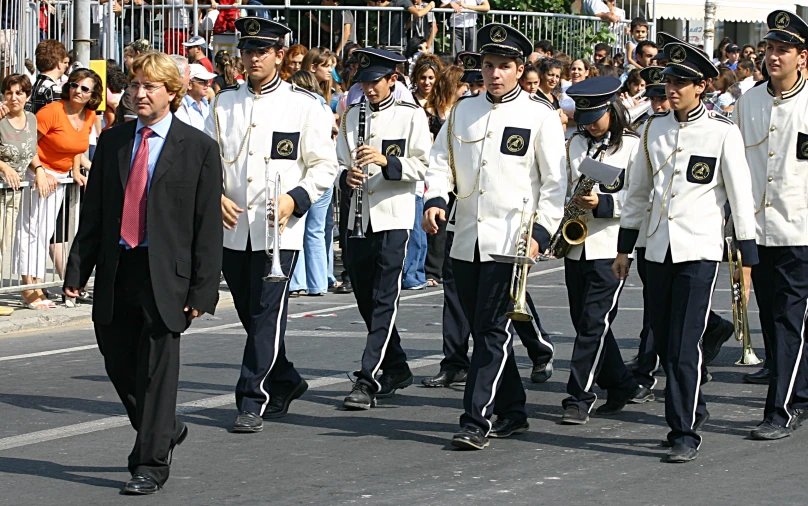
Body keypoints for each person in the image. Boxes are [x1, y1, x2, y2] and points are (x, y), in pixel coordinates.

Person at [63, 51, 223, 495]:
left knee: (157, 370)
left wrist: (203, 288)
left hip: (166, 275)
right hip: (119, 266)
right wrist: (78, 268)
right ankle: (165, 426)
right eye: (134, 85)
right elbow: (94, 212)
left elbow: (206, 225)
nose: (139, 93)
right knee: (117, 359)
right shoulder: (114, 141)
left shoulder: (198, 148)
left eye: (150, 86)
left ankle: (150, 461)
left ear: (171, 92)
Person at [613, 40, 758, 463]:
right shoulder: (652, 129)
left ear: (702, 86)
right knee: (662, 339)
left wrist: (746, 258)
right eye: (667, 81)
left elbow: (740, 197)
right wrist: (625, 248)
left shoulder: (722, 133)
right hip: (656, 250)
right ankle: (692, 406)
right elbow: (638, 194)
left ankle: (683, 430)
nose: (671, 89)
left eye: (680, 82)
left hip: (698, 250)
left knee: (682, 345)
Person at [423, 23, 565, 450]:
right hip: (466, 237)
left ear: (520, 69)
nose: (495, 74)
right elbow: (439, 164)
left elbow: (555, 185)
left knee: (490, 331)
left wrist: (541, 231)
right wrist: (435, 198)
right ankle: (514, 410)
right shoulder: (463, 111)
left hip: (512, 240)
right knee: (482, 328)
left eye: (505, 66)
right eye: (488, 66)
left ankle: (475, 420)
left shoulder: (539, 116)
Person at [205, 17, 338, 433]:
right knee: (251, 316)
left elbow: (324, 166)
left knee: (266, 316)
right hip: (232, 227)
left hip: (280, 232)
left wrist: (293, 199)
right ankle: (286, 380)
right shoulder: (223, 102)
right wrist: (215, 196)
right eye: (247, 50)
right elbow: (207, 161)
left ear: (280, 55)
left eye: (261, 50)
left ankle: (251, 399)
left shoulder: (305, 105)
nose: (253, 57)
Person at [337, 48, 430, 409]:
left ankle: (367, 378)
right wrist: (347, 174)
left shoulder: (411, 116)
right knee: (364, 298)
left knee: (383, 299)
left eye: (374, 82)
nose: (368, 89)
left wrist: (385, 160)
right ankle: (397, 366)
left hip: (392, 216)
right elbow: (336, 162)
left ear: (392, 79)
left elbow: (423, 164)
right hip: (357, 216)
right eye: (364, 82)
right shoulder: (351, 115)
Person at [732, 10, 808, 440]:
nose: (773, 56)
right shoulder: (750, 101)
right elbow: (738, 166)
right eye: (770, 49)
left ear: (803, 56)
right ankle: (801, 393)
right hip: (758, 230)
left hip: (802, 229)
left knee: (787, 320)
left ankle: (779, 410)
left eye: (783, 50)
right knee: (773, 316)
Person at [558, 76, 642, 424]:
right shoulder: (573, 143)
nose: (589, 125)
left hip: (612, 247)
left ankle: (579, 396)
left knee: (594, 321)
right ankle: (621, 383)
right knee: (585, 322)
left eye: (596, 118)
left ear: (611, 109)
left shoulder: (634, 147)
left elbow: (641, 199)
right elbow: (558, 184)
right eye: (584, 118)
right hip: (576, 246)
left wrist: (603, 204)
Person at [14, 69, 99, 309]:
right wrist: (40, 171)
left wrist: (75, 171)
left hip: (59, 178)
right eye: (73, 85)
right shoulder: (52, 111)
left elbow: (76, 147)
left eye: (84, 88)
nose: (77, 91)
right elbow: (28, 144)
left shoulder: (89, 115)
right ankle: (27, 289)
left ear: (93, 94)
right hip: (38, 173)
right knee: (30, 231)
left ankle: (37, 285)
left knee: (44, 232)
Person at [0, 74, 39, 315]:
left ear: (27, 96)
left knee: (3, 244)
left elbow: (30, 150)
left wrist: (41, 169)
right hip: (1, 188)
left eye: (19, 93)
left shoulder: (31, 119)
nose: (14, 98)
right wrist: (4, 167)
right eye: (9, 92)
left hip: (14, 194)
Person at [28, 39, 68, 114]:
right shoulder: (53, 88)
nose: (67, 65)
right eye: (64, 62)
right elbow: (58, 116)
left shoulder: (35, 85)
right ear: (59, 63)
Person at [175, 63, 216, 130]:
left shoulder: (205, 104)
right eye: (203, 81)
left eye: (208, 81)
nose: (208, 84)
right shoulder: (181, 106)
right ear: (189, 84)